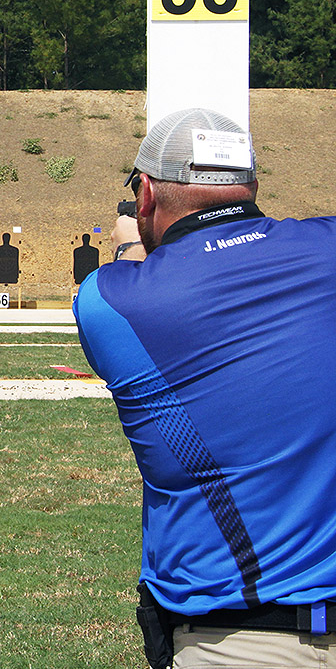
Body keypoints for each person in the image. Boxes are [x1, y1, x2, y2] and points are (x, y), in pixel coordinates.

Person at [73, 108, 336, 668]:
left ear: (145, 193)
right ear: (253, 185)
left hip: (239, 638)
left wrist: (128, 249)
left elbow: (132, 287)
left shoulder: (113, 299)